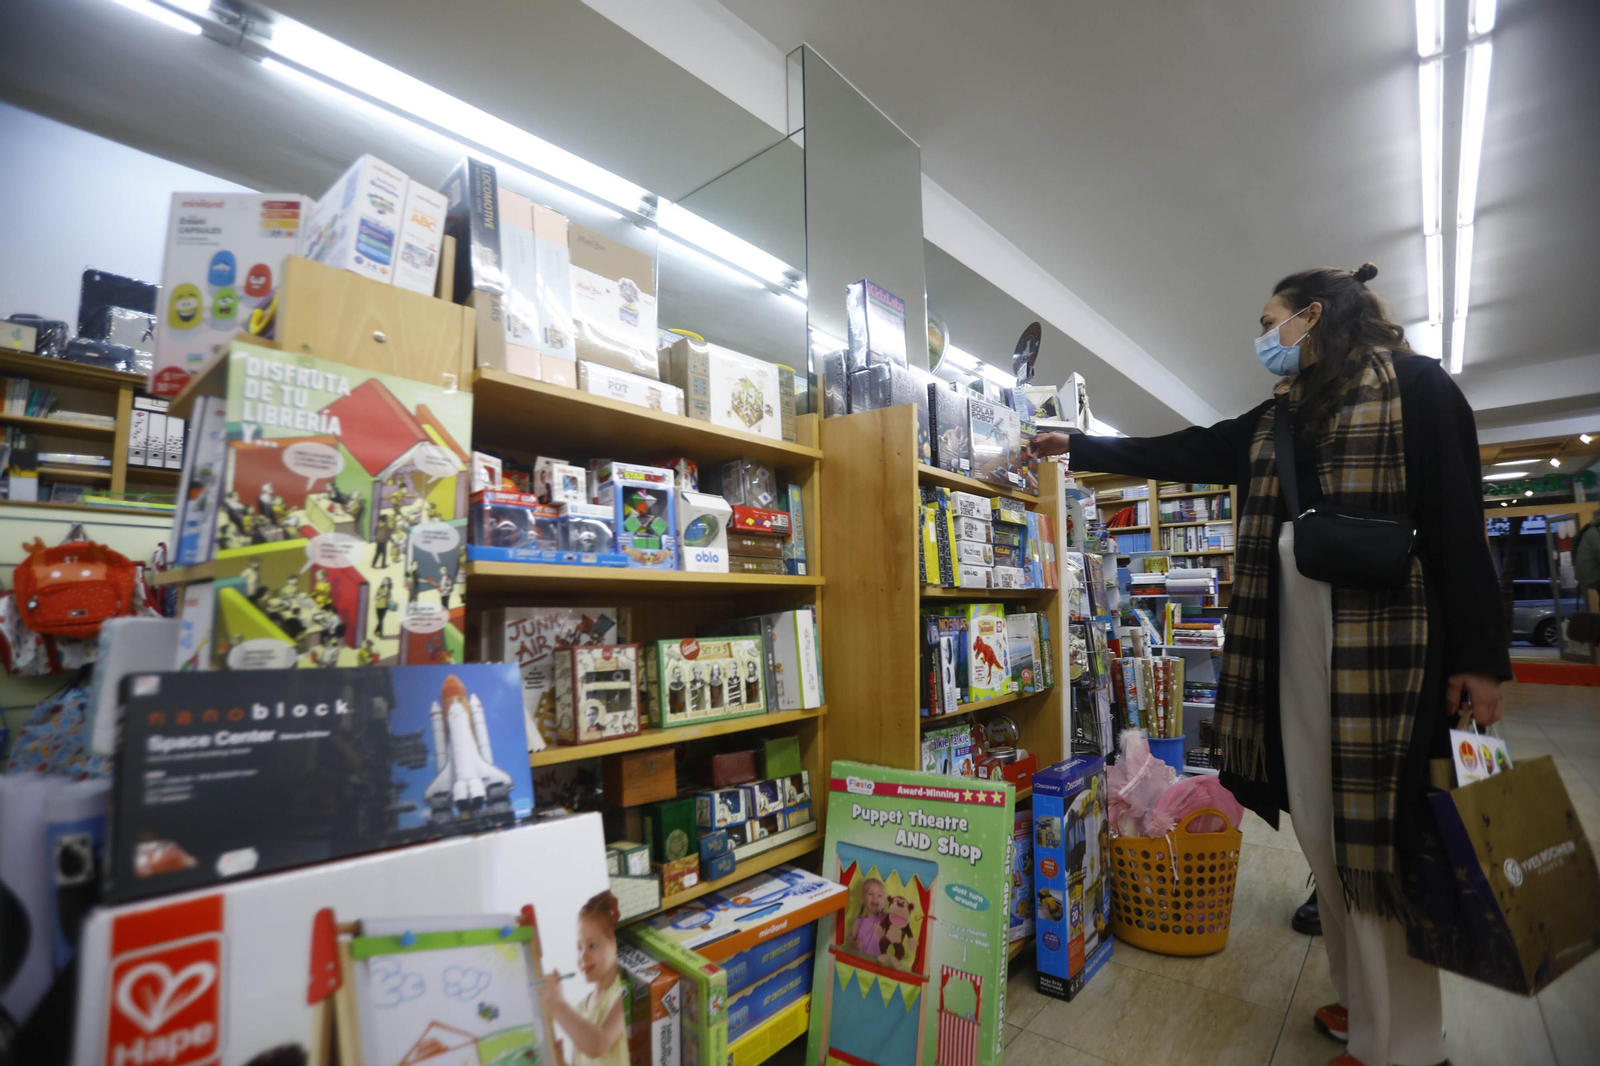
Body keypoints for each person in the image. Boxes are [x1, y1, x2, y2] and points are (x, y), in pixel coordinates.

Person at [1033, 263, 1509, 1066]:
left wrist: (1482, 660)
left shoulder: (1419, 388)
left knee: (1383, 839)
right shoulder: (1279, 418)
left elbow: (1462, 521)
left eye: (1270, 320)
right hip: (1294, 635)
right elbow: (1188, 448)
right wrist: (1077, 443)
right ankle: (1362, 1009)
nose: (1263, 337)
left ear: (1311, 316)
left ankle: (1409, 1044)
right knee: (1325, 829)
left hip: (1388, 646)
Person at [540, 891, 627, 1066]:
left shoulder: (623, 992)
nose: (582, 956)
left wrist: (557, 1005)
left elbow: (598, 1044)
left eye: (592, 945)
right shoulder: (581, 1010)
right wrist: (558, 1059)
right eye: (579, 947)